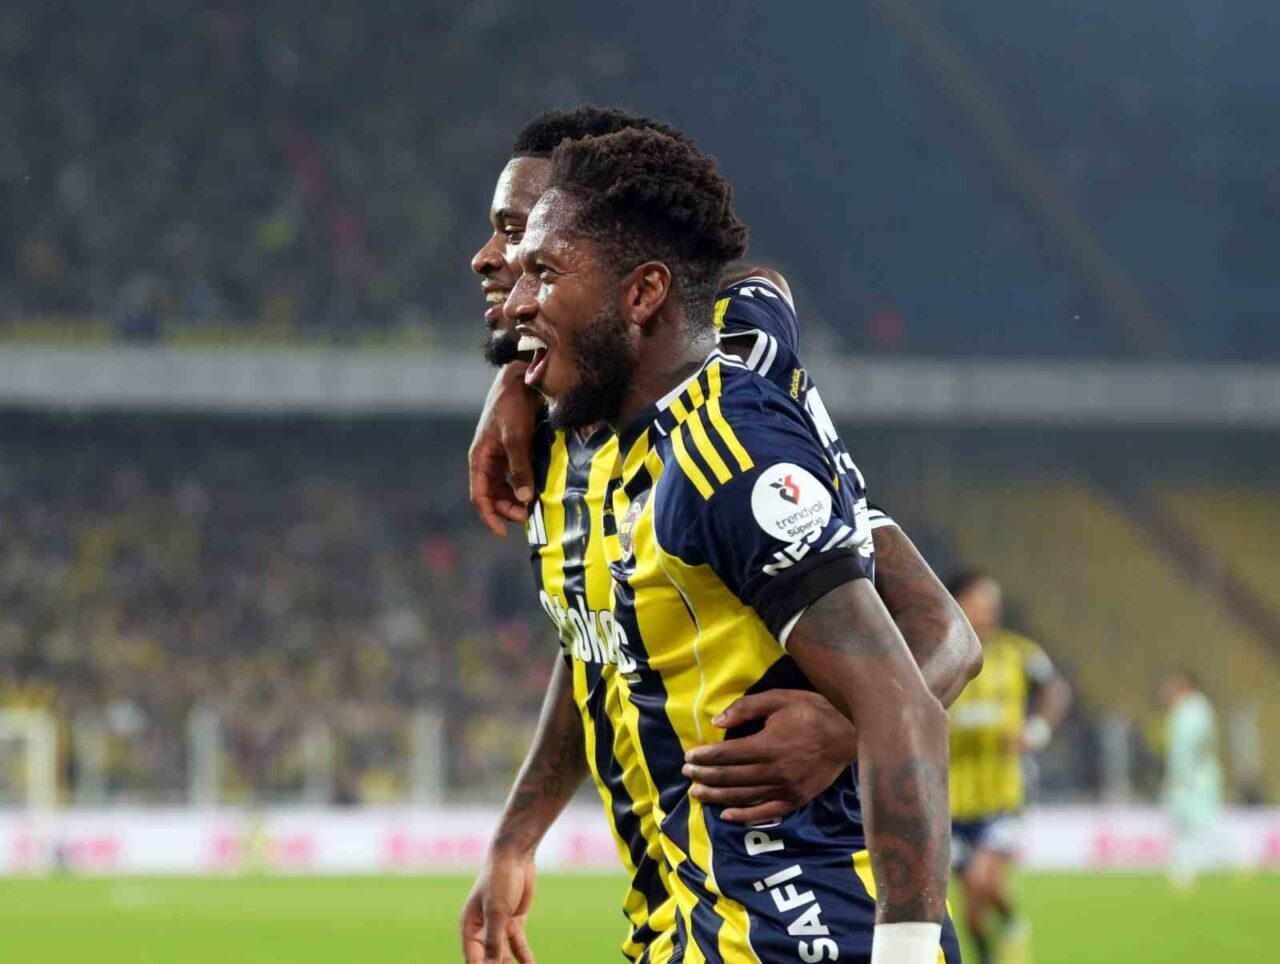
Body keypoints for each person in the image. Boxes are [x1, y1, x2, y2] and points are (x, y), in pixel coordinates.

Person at [462, 109, 980, 964]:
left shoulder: (734, 429)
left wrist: (847, 727)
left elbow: (933, 644)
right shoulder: (575, 433)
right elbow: (601, 645)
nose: (496, 267)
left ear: (636, 287)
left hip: (803, 927)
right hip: (677, 919)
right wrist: (517, 837)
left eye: (530, 250)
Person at [945, 571, 1071, 964]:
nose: (989, 611)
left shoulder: (1019, 653)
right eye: (980, 602)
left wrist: (1037, 730)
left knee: (981, 880)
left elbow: (1056, 690)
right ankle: (1002, 937)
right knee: (972, 910)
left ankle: (1011, 930)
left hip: (1004, 794)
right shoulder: (937, 655)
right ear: (956, 603)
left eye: (993, 604)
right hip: (952, 802)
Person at [1161, 668, 1223, 890]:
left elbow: (1193, 746)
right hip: (1190, 775)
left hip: (1196, 777)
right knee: (1183, 825)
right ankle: (1183, 870)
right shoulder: (1189, 709)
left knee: (1200, 823)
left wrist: (1183, 774)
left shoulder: (1193, 709)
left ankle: (1233, 860)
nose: (1167, 691)